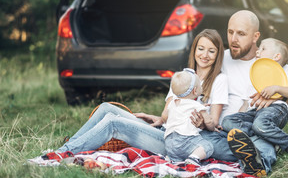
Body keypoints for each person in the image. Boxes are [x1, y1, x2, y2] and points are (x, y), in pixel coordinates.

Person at [41, 29, 230, 163]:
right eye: (201, 49)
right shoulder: (183, 78)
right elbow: (166, 116)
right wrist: (155, 118)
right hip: (165, 130)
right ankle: (67, 148)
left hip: (180, 143)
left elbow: (213, 121)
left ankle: (60, 154)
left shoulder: (218, 80)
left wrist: (201, 123)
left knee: (113, 124)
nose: (205, 55)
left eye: (211, 51)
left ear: (218, 54)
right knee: (106, 108)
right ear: (194, 50)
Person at [205, 10, 288, 177]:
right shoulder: (220, 58)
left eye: (241, 34)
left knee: (261, 142)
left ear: (255, 37)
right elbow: (196, 80)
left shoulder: (271, 62)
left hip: (259, 123)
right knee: (205, 141)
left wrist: (276, 94)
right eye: (230, 32)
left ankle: (258, 155)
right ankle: (259, 146)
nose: (233, 39)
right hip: (229, 128)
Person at [221, 38, 288, 161]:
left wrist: (277, 88)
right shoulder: (254, 75)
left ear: (276, 56)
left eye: (263, 49)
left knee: (260, 124)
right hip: (253, 112)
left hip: (275, 109)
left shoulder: (278, 73)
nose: (258, 51)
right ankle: (268, 137)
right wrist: (237, 118)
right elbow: (246, 102)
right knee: (227, 121)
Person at [162, 68, 216, 166]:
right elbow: (209, 122)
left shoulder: (172, 104)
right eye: (200, 85)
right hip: (185, 140)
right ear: (195, 91)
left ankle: (173, 159)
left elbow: (177, 112)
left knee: (177, 152)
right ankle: (193, 158)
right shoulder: (196, 105)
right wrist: (212, 127)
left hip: (169, 142)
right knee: (208, 146)